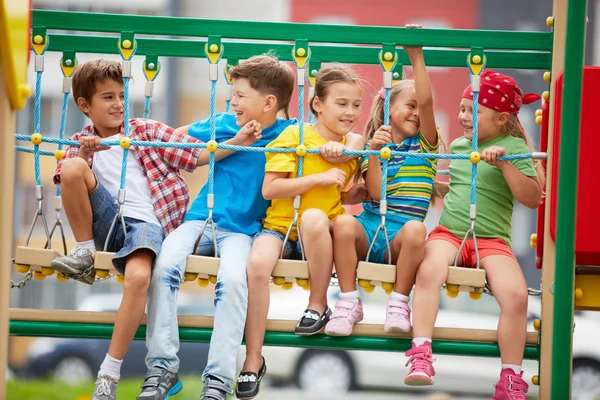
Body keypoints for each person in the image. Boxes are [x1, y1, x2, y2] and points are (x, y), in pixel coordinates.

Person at [138, 54, 297, 400]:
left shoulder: (289, 135)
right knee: (163, 266)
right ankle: (162, 367)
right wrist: (230, 143)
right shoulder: (223, 124)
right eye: (232, 94)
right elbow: (174, 142)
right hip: (199, 220)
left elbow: (327, 145)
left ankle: (218, 379)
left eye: (240, 95)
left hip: (243, 231)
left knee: (233, 281)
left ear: (269, 102)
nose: (233, 101)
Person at [50, 59, 204, 400]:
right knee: (74, 166)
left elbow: (194, 156)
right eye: (107, 97)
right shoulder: (82, 141)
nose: (118, 103)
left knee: (138, 279)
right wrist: (86, 155)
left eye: (121, 95)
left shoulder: (144, 131)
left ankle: (109, 374)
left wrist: (237, 142)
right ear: (85, 105)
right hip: (106, 224)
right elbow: (64, 176)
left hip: (146, 225)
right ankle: (84, 252)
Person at [405, 69, 543, 400]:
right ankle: (420, 354)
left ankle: (510, 378)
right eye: (463, 109)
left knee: (516, 296)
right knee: (428, 272)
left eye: (474, 111)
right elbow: (460, 187)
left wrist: (506, 165)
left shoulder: (514, 147)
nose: (464, 117)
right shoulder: (459, 145)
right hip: (451, 232)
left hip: (492, 240)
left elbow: (531, 198)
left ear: (502, 117)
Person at [236, 64, 366, 399]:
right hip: (280, 227)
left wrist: (350, 156)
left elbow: (349, 190)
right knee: (256, 266)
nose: (350, 112)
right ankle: (253, 358)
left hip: (318, 232)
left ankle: (318, 304)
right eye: (341, 103)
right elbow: (270, 189)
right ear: (317, 105)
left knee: (312, 217)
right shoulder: (294, 137)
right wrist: (319, 178)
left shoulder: (351, 146)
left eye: (355, 105)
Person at [325, 29, 440, 337]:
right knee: (343, 224)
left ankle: (400, 302)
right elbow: (374, 193)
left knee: (418, 229)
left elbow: (428, 105)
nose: (416, 113)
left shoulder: (426, 146)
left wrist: (416, 55)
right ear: (389, 107)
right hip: (370, 229)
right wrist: (374, 153)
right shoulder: (370, 146)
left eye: (419, 108)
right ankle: (348, 302)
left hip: (402, 237)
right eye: (409, 106)